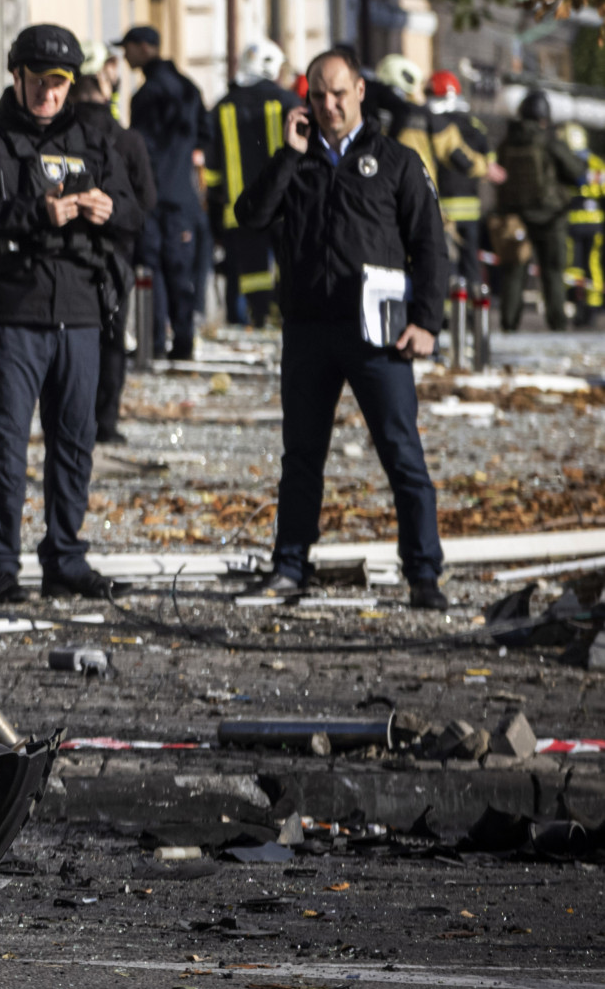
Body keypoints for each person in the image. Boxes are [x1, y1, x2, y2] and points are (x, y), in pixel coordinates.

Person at [234, 48, 449, 609]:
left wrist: (427, 321)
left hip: (377, 336)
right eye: (317, 95)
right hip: (308, 332)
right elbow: (248, 216)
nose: (328, 105)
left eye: (337, 93)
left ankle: (424, 574)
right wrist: (287, 155)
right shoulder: (297, 160)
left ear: (359, 90)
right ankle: (290, 565)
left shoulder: (396, 162)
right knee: (301, 456)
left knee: (401, 452)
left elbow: (430, 245)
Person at [0, 23, 144, 603]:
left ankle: (65, 557)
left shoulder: (95, 139)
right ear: (17, 76)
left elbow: (136, 208)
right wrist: (35, 213)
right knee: (4, 444)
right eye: (38, 81)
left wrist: (109, 209)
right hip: (11, 310)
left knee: (75, 440)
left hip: (81, 310)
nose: (48, 94)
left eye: (58, 83)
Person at [75, 39, 155, 443]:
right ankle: (104, 424)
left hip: (64, 257)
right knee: (111, 340)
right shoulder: (126, 140)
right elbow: (146, 201)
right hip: (115, 258)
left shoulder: (58, 139)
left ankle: (71, 421)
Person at [120, 25, 208, 359]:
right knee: (179, 270)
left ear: (144, 47)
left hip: (155, 198)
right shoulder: (188, 89)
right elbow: (205, 133)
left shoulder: (146, 96)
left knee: (152, 267)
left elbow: (142, 151)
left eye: (127, 47)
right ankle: (183, 341)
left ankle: (154, 341)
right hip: (182, 196)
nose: (125, 55)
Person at [208, 39, 294, 327]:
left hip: (239, 208)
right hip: (285, 205)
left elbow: (211, 167)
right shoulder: (287, 101)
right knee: (291, 264)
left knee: (248, 271)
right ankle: (286, 313)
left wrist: (215, 203)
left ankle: (256, 317)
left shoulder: (222, 106)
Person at [492, 91, 584, 332]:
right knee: (553, 273)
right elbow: (576, 172)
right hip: (551, 219)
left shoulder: (506, 142)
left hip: (516, 220)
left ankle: (509, 325)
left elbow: (498, 176)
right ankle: (558, 324)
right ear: (544, 116)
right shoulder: (549, 141)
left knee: (514, 272)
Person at [424, 70, 494, 298]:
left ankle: (449, 311)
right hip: (472, 207)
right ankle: (476, 305)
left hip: (444, 207)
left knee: (447, 261)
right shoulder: (475, 125)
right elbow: (489, 162)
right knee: (471, 259)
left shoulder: (435, 125)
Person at [566, 124, 605, 325]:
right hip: (593, 224)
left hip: (573, 224)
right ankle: (592, 305)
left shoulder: (566, 161)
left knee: (575, 265)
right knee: (592, 265)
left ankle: (577, 302)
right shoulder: (596, 163)